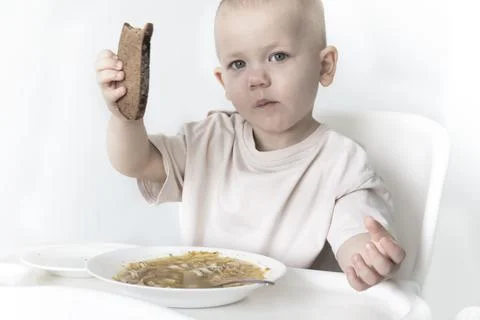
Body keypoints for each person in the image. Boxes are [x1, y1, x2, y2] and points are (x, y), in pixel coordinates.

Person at [94, 0, 406, 291]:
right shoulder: (207, 142)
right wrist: (125, 118)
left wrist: (368, 258)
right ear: (223, 82)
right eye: (238, 64)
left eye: (278, 56)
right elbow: (134, 162)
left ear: (324, 66)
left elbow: (355, 238)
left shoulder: (341, 163)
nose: (256, 78)